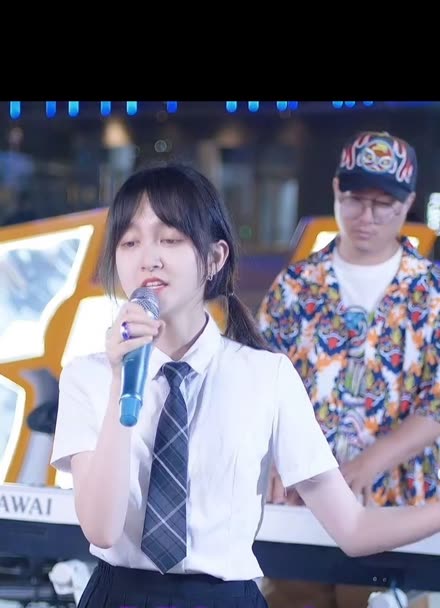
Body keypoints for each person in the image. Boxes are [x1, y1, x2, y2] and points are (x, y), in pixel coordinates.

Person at [51, 161, 440, 608]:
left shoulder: (266, 376)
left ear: (215, 258)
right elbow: (101, 529)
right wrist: (123, 379)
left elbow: (352, 530)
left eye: (170, 239)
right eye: (130, 241)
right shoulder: (90, 376)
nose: (148, 257)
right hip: (117, 595)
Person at [257, 131, 440, 608]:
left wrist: (364, 466)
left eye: (384, 204)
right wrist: (275, 457)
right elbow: (257, 384)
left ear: (408, 203)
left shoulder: (431, 292)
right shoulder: (296, 287)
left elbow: (437, 403)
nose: (367, 217)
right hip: (300, 508)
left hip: (399, 509)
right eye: (356, 199)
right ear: (337, 189)